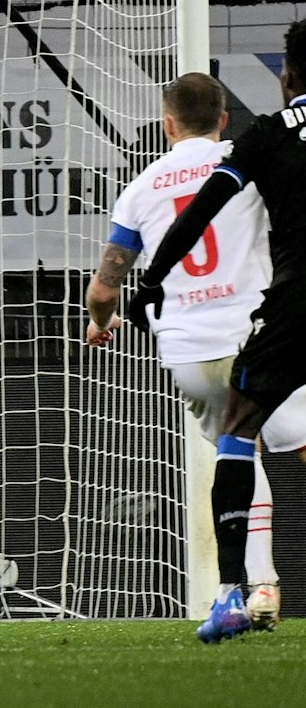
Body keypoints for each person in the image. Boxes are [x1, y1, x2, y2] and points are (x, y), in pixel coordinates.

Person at [84, 73, 300, 635]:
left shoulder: (140, 188)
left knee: (236, 453)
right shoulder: (247, 158)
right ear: (225, 119)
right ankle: (263, 588)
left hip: (189, 350)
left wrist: (99, 323)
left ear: (167, 124)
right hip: (259, 332)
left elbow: (105, 289)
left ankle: (256, 587)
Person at [134, 21, 306, 642]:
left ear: (288, 78)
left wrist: (150, 282)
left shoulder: (266, 137)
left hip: (275, 315)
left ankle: (238, 591)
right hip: (259, 318)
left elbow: (202, 211)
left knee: (238, 435)